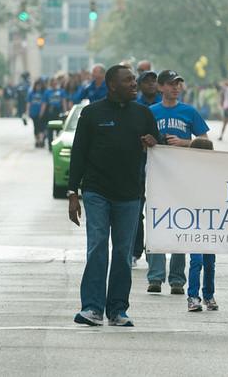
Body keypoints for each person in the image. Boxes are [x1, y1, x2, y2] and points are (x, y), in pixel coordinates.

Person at [66, 64, 160, 327]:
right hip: (96, 191)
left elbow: (160, 151)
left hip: (129, 195)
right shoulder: (92, 113)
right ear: (112, 85)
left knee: (122, 253)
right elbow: (79, 153)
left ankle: (118, 309)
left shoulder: (143, 114)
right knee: (97, 248)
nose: (134, 84)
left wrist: (154, 142)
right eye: (128, 80)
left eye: (134, 80)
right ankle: (92, 308)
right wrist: (73, 193)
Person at [146, 70, 209, 294]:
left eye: (178, 84)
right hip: (156, 175)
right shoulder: (150, 112)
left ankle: (176, 279)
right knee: (156, 224)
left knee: (180, 223)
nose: (176, 88)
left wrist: (184, 142)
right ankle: (154, 277)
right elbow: (139, 140)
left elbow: (204, 142)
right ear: (161, 87)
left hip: (183, 177)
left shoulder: (189, 112)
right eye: (171, 84)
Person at [186, 137, 219, 312]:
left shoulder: (215, 173)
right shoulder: (187, 173)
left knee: (209, 262)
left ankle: (208, 295)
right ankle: (193, 296)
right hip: (193, 222)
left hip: (210, 222)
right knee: (197, 260)